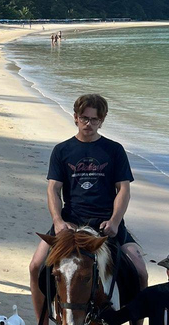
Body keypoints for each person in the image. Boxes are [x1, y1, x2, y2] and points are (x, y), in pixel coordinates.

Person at [28, 94, 148, 322]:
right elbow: (53, 190)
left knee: (140, 271)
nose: (88, 124)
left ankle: (136, 321)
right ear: (75, 117)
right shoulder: (62, 150)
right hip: (70, 222)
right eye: (84, 118)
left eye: (94, 119)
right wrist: (57, 221)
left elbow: (123, 190)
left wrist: (114, 221)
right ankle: (42, 320)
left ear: (102, 121)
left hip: (106, 224)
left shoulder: (114, 150)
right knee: (35, 266)